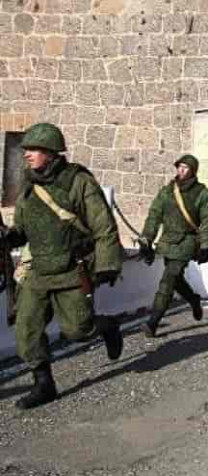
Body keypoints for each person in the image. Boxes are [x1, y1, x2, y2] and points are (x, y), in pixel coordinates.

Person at [2, 122, 124, 409]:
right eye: (26, 149)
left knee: (78, 331)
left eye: (33, 149)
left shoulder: (78, 182)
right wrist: (9, 237)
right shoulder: (29, 186)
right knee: (26, 330)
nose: (26, 154)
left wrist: (107, 264)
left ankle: (107, 326)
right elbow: (23, 229)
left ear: (51, 152)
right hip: (38, 272)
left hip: (72, 270)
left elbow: (103, 226)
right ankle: (44, 385)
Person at [138, 154, 208, 338]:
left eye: (185, 167)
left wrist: (205, 245)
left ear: (193, 171)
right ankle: (193, 299)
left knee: (168, 279)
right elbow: (154, 216)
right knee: (176, 280)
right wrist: (146, 239)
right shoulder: (167, 191)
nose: (181, 170)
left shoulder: (202, 193)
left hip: (187, 242)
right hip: (168, 242)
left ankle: (153, 322)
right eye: (179, 166)